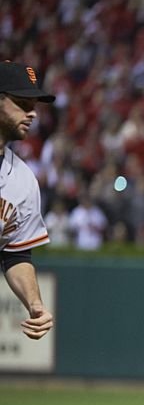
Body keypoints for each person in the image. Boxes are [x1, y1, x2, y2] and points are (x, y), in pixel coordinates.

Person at [0, 61, 55, 340]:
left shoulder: (22, 182)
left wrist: (34, 303)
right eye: (22, 103)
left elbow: (15, 254)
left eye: (34, 104)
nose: (32, 113)